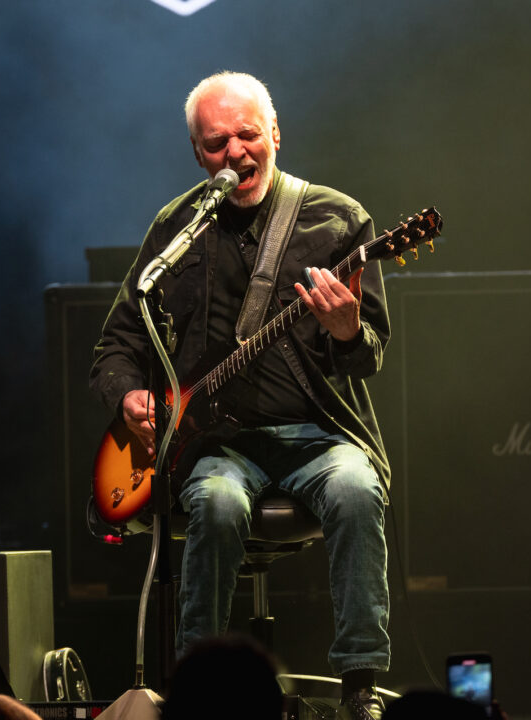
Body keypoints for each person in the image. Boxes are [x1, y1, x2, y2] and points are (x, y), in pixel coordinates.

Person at [89, 71, 392, 720]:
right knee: (218, 504)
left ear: (275, 135)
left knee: (354, 489)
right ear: (198, 154)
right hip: (216, 446)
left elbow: (368, 356)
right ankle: (199, 696)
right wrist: (129, 400)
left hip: (317, 437)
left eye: (248, 135)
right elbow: (115, 344)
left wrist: (345, 331)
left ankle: (359, 685)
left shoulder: (336, 219)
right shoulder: (176, 230)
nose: (236, 153)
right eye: (216, 142)